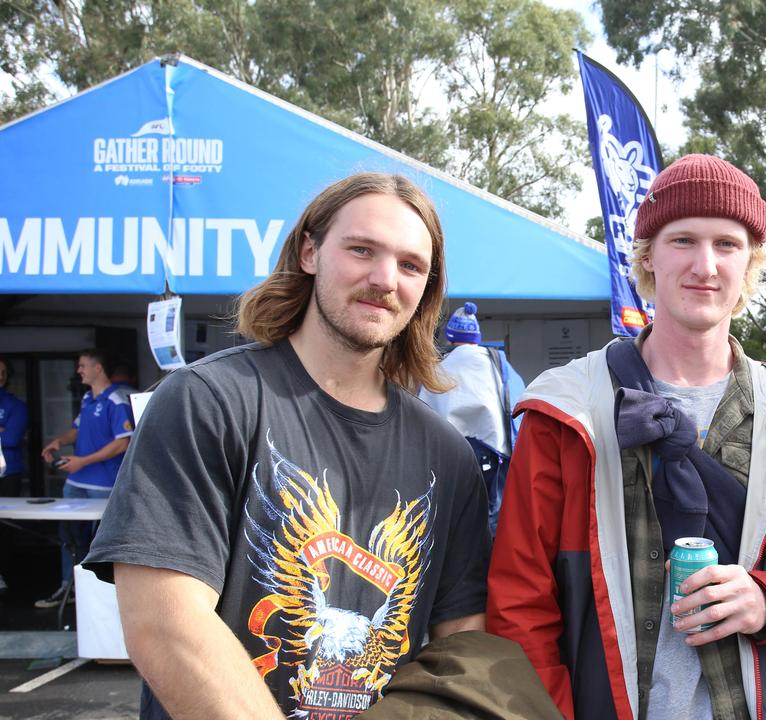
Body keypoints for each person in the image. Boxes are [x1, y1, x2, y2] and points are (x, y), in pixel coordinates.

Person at [83, 173, 491, 720]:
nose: (384, 278)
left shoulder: (448, 454)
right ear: (309, 251)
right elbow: (166, 624)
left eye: (411, 265)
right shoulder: (208, 401)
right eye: (361, 250)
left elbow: (458, 638)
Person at [487, 154, 766, 719]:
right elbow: (520, 599)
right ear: (648, 257)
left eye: (727, 244)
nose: (704, 265)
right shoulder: (566, 410)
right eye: (682, 240)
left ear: (749, 263)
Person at [37, 348, 133, 609]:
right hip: (76, 483)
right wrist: (58, 441)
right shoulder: (88, 398)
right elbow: (77, 430)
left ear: (97, 368)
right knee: (68, 538)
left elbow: (122, 444)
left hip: (102, 485)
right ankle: (69, 588)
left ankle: (98, 599)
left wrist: (82, 461)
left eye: (82, 365)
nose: (78, 370)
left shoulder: (117, 400)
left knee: (100, 545)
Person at [419, 301, 526, 535]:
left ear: (451, 336)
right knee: (493, 515)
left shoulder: (440, 366)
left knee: (455, 517)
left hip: (451, 454)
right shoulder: (497, 363)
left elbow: (423, 411)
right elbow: (519, 402)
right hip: (494, 453)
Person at [0, 355, 29, 593]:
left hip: (8, 472)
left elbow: (10, 439)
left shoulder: (15, 405)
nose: (0, 377)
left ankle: (5, 574)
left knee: (5, 527)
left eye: (3, 372)